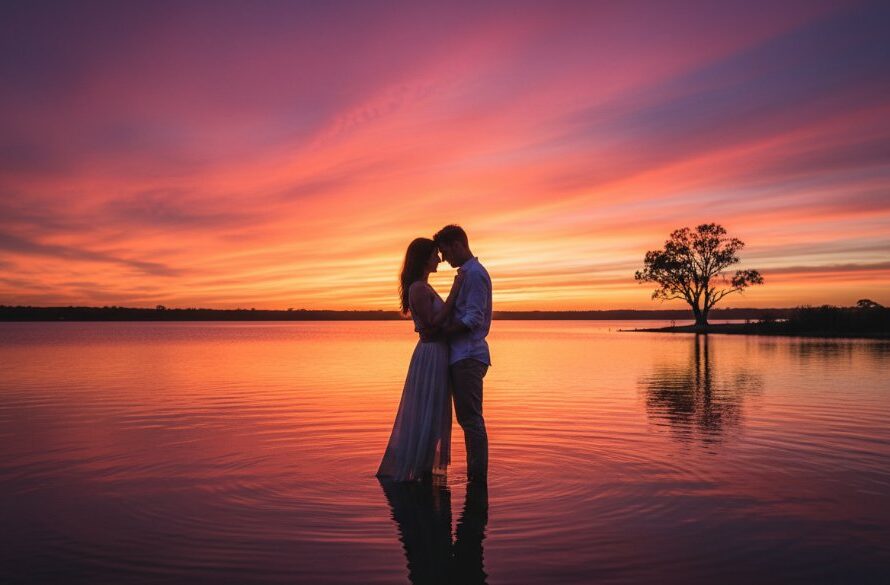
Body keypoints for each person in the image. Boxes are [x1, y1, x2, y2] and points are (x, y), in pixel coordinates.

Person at [377, 238, 463, 482]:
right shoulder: (418, 288)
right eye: (435, 255)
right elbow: (431, 325)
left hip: (437, 353)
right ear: (424, 258)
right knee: (427, 412)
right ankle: (419, 470)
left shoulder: (424, 286)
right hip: (431, 354)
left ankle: (425, 468)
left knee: (435, 413)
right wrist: (455, 294)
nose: (439, 259)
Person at [432, 225, 492, 483]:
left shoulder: (475, 275)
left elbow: (474, 319)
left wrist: (442, 333)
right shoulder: (466, 274)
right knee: (467, 420)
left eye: (445, 253)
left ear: (458, 244)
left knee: (471, 421)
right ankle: (475, 477)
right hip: (462, 356)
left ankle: (478, 478)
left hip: (468, 356)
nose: (445, 261)